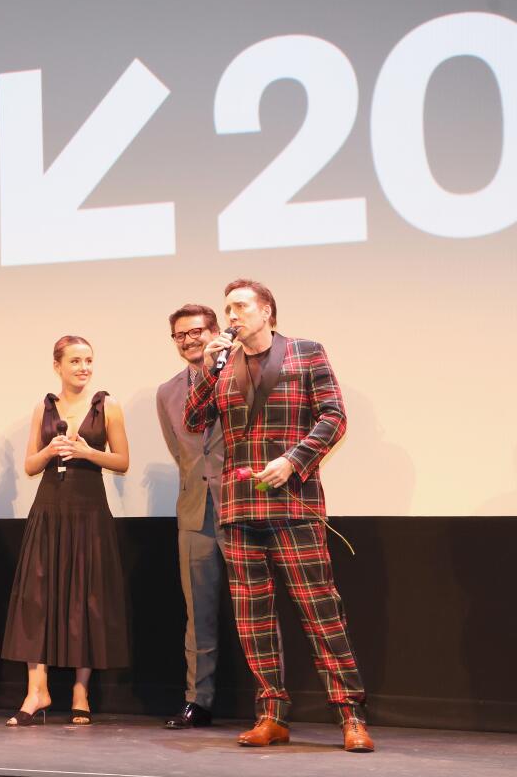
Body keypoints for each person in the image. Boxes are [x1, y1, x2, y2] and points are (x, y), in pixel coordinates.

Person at [185, 279, 373, 753]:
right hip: (239, 505)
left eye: (241, 306)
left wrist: (293, 460)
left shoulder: (305, 351)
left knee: (321, 611)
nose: (232, 315)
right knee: (253, 618)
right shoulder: (222, 363)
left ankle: (350, 715)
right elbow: (193, 420)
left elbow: (334, 417)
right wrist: (209, 369)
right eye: (227, 307)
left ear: (267, 311)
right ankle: (271, 714)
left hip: (294, 501)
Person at [1, 335, 130, 726]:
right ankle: (36, 691)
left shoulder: (108, 406)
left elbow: (122, 461)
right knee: (37, 598)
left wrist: (88, 452)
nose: (84, 367)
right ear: (57, 365)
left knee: (86, 597)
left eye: (89, 360)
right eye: (75, 361)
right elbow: (29, 465)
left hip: (89, 514)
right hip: (50, 511)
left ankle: (80, 691)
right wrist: (51, 450)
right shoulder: (43, 408)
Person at [156, 304, 226, 730]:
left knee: (257, 611)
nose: (189, 340)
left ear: (215, 332)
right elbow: (182, 451)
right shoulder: (167, 391)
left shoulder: (241, 374)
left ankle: (270, 704)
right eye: (180, 335)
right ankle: (197, 700)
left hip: (242, 507)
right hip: (194, 511)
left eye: (196, 331)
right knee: (197, 614)